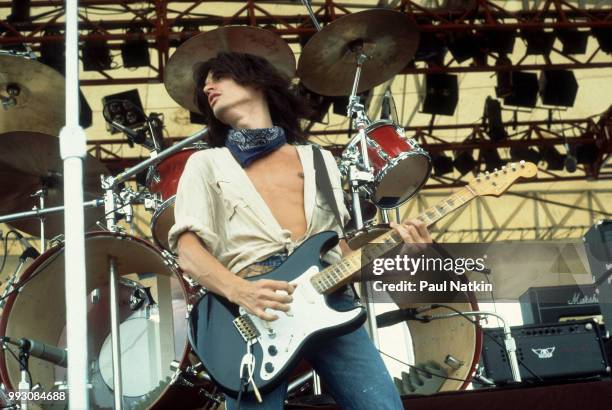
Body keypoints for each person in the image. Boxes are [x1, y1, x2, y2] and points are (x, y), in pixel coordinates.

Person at [169, 52, 432, 410]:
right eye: (205, 85)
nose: (208, 88)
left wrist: (401, 252)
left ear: (255, 80)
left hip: (330, 300)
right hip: (254, 308)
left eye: (218, 77)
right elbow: (188, 251)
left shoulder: (319, 159)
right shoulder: (206, 162)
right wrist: (242, 292)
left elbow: (339, 251)